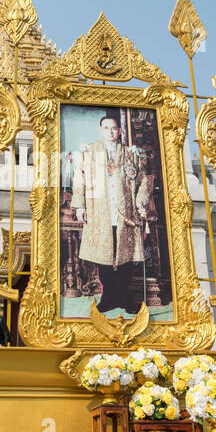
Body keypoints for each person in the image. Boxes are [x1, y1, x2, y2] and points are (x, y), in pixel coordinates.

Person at [70, 113, 153, 315]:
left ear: (120, 131)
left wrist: (142, 203)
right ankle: (108, 297)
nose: (110, 132)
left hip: (126, 214)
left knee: (125, 256)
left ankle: (125, 297)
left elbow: (143, 181)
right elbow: (79, 180)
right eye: (106, 128)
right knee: (104, 256)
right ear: (100, 130)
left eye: (114, 128)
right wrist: (80, 206)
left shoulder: (131, 154)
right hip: (100, 212)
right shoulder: (89, 152)